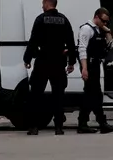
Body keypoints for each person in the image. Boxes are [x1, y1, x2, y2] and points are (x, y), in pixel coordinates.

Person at [23, 0, 77, 136]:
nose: (42, 6)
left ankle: (34, 127)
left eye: (43, 3)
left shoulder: (40, 19)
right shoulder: (63, 20)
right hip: (58, 62)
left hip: (43, 61)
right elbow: (70, 41)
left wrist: (27, 59)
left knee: (36, 95)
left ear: (47, 3)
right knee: (58, 96)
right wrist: (71, 62)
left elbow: (33, 40)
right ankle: (58, 127)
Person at [76, 7, 113, 134]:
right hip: (88, 65)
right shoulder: (86, 29)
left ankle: (86, 123)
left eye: (107, 22)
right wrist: (84, 69)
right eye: (103, 21)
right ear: (96, 17)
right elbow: (82, 50)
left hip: (95, 64)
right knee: (94, 94)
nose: (105, 23)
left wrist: (108, 31)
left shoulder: (100, 30)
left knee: (91, 94)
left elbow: (110, 45)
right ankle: (99, 123)